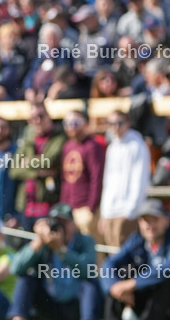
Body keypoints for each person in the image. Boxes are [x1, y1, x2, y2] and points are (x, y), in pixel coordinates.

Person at [7, 204, 102, 320]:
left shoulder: (85, 241)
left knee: (90, 282)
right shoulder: (44, 243)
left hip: (76, 307)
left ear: (74, 225)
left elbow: (88, 271)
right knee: (27, 277)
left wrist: (62, 250)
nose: (60, 228)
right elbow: (15, 268)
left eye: (65, 223)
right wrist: (39, 241)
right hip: (49, 306)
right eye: (57, 223)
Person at [97, 110, 150, 251]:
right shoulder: (112, 147)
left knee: (126, 260)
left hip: (127, 211)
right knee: (113, 257)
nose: (116, 127)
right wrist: (104, 212)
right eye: (111, 123)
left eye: (119, 123)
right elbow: (107, 182)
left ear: (128, 123)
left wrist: (131, 211)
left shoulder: (137, 146)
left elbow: (140, 180)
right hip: (110, 211)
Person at [10, 102, 66, 227]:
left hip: (48, 204)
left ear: (48, 116)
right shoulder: (28, 139)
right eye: (33, 118)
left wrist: (27, 162)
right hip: (27, 206)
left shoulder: (59, 137)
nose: (37, 120)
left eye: (41, 116)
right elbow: (14, 170)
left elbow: (48, 161)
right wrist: (37, 172)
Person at [59, 109, 105, 240]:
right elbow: (65, 179)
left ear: (86, 124)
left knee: (93, 252)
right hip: (70, 209)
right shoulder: (67, 146)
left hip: (86, 208)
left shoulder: (92, 146)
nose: (71, 127)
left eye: (76, 123)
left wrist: (91, 207)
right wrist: (64, 207)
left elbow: (97, 177)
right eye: (67, 123)